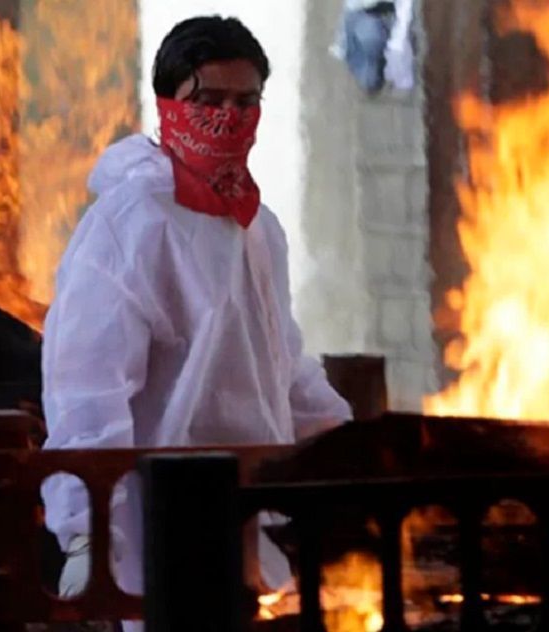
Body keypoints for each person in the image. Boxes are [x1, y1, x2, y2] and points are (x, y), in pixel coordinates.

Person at [39, 15, 352, 626]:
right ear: (168, 104)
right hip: (157, 523)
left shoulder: (257, 228)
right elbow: (87, 396)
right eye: (208, 101)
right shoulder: (130, 226)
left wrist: (349, 442)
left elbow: (280, 364)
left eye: (246, 102)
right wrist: (86, 533)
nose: (228, 118)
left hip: (245, 510)